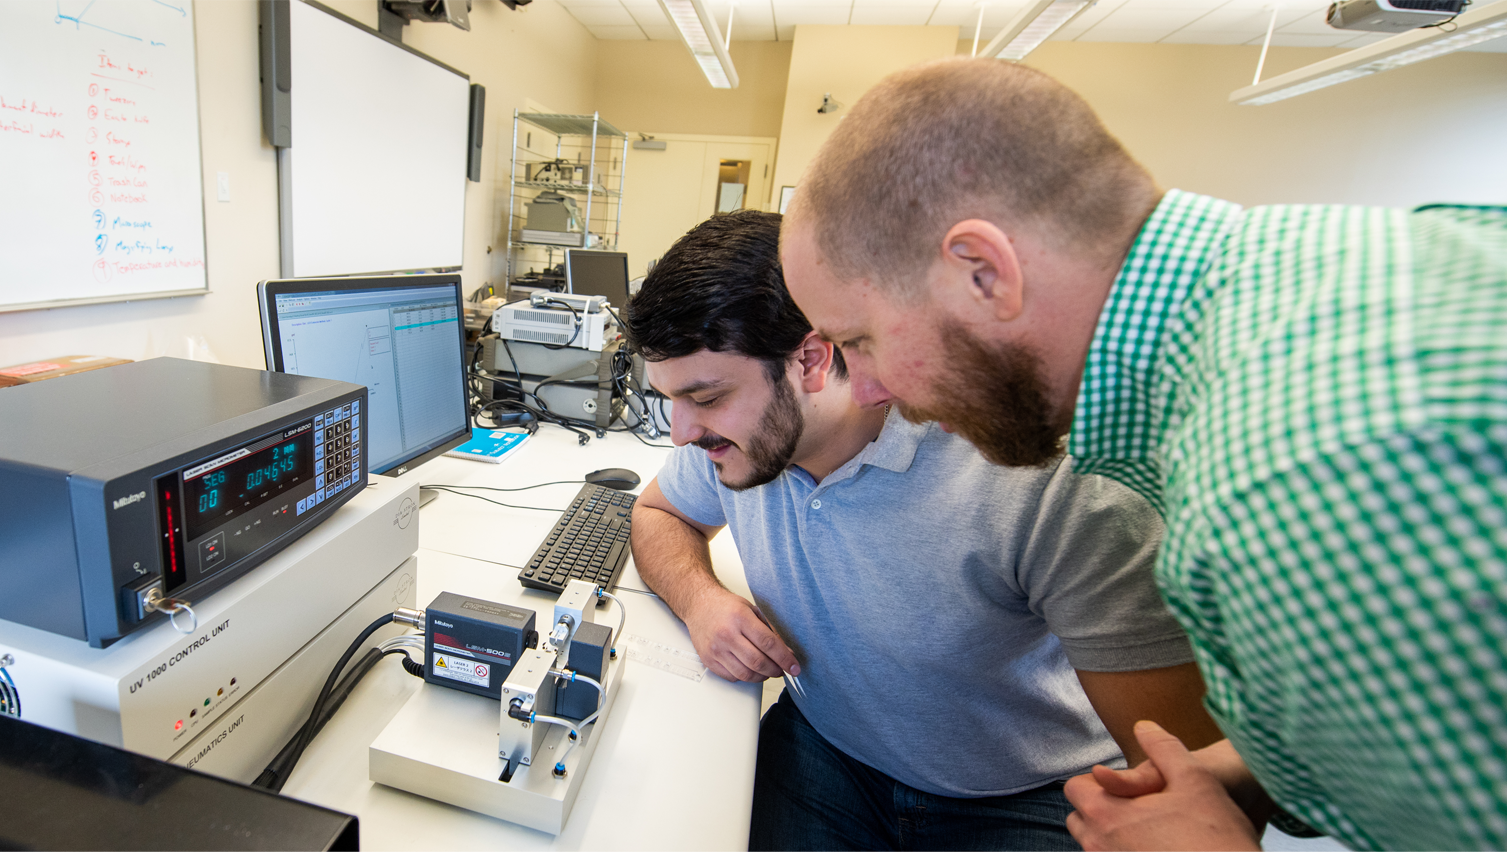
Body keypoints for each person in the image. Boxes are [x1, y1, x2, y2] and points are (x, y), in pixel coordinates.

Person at [779, 57, 1507, 852]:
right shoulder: (1344, 266)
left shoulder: (1277, 482)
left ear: (983, 273)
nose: (872, 388)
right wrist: (1225, 780)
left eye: (860, 341)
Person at [624, 209, 1223, 852]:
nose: (682, 431)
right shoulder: (735, 441)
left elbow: (1186, 773)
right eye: (669, 399)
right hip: (831, 747)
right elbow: (659, 512)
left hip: (1020, 790)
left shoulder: (1043, 479)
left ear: (813, 361)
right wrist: (700, 599)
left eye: (706, 398)